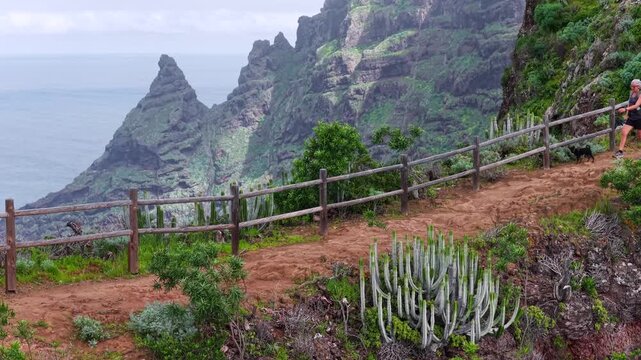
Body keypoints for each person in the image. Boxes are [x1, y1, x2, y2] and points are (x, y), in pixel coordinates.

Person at [614, 78, 641, 159]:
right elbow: (630, 104)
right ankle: (620, 152)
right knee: (624, 132)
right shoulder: (632, 93)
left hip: (640, 118)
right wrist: (627, 114)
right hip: (632, 117)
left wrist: (625, 109)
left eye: (633, 87)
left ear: (638, 87)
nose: (632, 88)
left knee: (640, 136)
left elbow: (636, 105)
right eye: (631, 86)